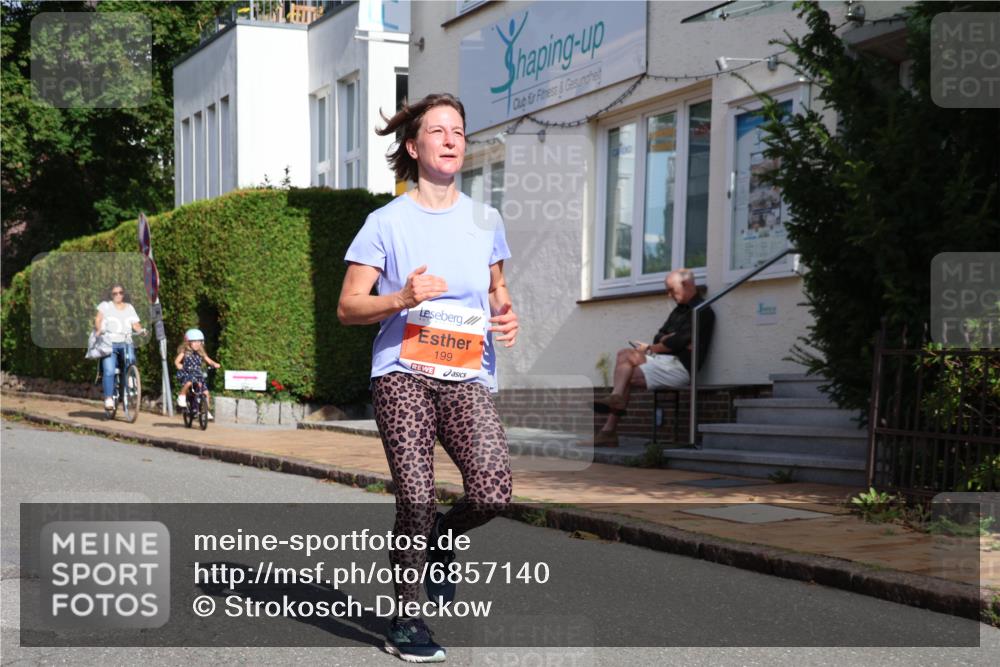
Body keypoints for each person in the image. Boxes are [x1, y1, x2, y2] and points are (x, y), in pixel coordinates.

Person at [337, 92, 518, 663]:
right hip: (403, 374)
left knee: (493, 491)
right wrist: (400, 297)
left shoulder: (486, 219)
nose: (450, 139)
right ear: (414, 147)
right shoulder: (384, 223)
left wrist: (507, 315)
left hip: (467, 374)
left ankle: (442, 537)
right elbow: (347, 307)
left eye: (459, 132)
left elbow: (496, 291)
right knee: (415, 497)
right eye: (438, 131)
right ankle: (407, 618)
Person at [592, 268, 715, 447]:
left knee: (627, 374)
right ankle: (616, 398)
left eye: (671, 290)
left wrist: (666, 342)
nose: (668, 295)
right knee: (624, 354)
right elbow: (659, 337)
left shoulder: (702, 311)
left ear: (687, 285)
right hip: (663, 361)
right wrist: (667, 340)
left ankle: (608, 431)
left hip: (680, 367)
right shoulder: (678, 312)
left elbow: (676, 343)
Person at [94, 283, 146, 410]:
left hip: (126, 341)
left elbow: (136, 324)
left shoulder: (129, 308)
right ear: (111, 295)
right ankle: (108, 398)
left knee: (131, 361)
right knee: (109, 370)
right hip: (109, 343)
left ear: (124, 294)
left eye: (120, 292)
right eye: (115, 293)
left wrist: (141, 330)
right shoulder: (105, 306)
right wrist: (99, 329)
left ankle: (129, 379)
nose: (118, 295)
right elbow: (98, 320)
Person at [174, 328, 221, 420]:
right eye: (194, 342)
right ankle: (182, 396)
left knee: (206, 393)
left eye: (199, 342)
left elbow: (208, 360)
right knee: (188, 383)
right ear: (188, 343)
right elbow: (177, 362)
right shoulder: (185, 353)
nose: (197, 344)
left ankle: (206, 411)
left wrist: (214, 364)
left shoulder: (201, 353)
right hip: (187, 373)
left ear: (202, 343)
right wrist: (180, 366)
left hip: (198, 374)